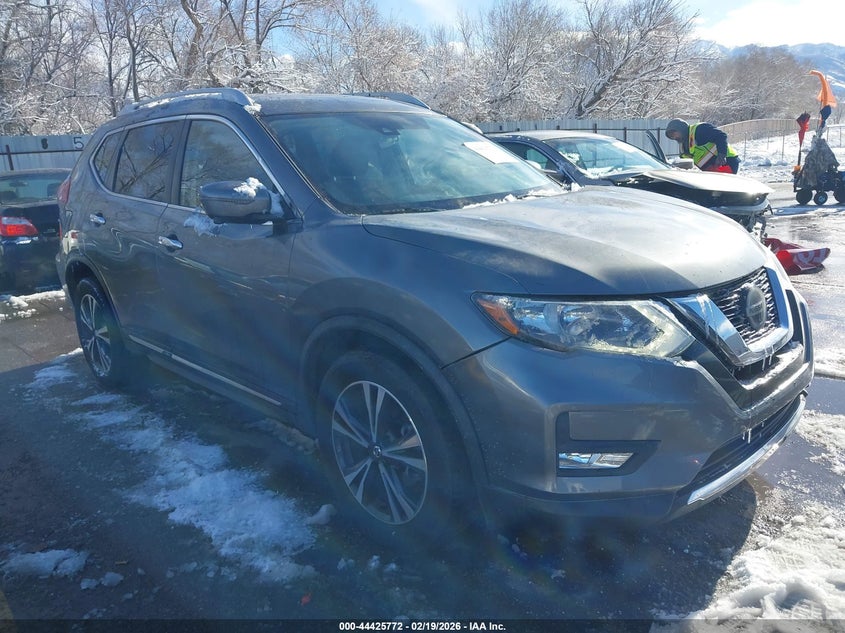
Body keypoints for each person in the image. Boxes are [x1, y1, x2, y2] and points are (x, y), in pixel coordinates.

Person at [665, 118, 740, 174]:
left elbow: (721, 136)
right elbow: (684, 163)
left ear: (681, 129)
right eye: (671, 136)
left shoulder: (700, 129)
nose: (674, 137)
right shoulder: (683, 147)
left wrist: (721, 155)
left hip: (726, 162)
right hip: (711, 171)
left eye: (674, 134)